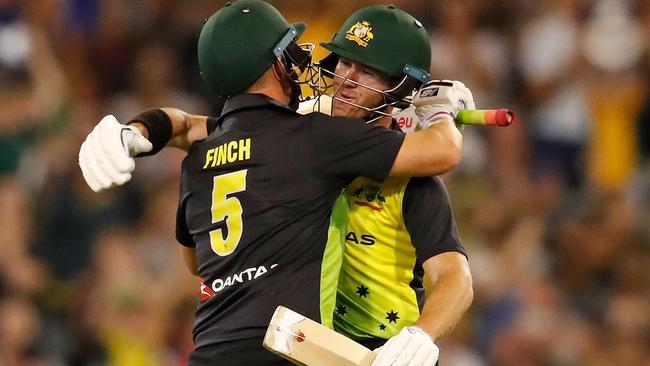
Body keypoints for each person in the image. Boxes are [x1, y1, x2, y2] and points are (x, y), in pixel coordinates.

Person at [78, 1, 468, 365]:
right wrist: (440, 116)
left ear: (402, 87)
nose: (346, 78)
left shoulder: (406, 179)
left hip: (374, 354)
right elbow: (445, 150)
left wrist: (423, 333)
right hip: (299, 349)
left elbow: (455, 278)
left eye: (366, 70)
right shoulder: (310, 137)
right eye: (343, 63)